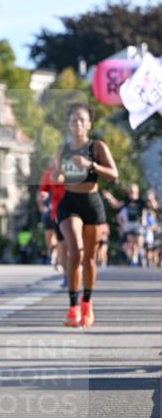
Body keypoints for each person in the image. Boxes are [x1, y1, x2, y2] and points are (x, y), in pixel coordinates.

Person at [54, 102, 118, 328]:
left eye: (82, 120)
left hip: (92, 202)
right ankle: (72, 309)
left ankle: (87, 304)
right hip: (70, 202)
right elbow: (57, 176)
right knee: (74, 250)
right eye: (73, 120)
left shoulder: (97, 147)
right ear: (68, 124)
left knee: (89, 258)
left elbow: (113, 174)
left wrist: (90, 165)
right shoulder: (63, 149)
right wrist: (59, 174)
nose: (77, 124)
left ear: (89, 124)